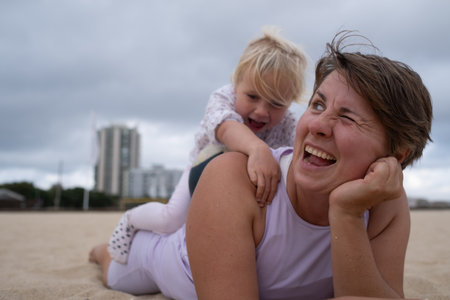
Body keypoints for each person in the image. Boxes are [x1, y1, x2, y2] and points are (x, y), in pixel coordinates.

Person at [89, 30, 433, 299]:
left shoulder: (384, 203)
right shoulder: (231, 178)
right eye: (317, 105)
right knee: (117, 272)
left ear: (397, 154)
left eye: (347, 117)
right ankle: (101, 251)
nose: (317, 125)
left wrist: (346, 213)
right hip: (170, 262)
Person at [107, 26, 307, 264]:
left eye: (276, 104)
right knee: (171, 220)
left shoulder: (288, 123)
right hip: (201, 168)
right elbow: (225, 126)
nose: (262, 111)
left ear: (289, 103)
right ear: (236, 85)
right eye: (252, 97)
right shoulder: (223, 98)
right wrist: (257, 148)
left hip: (244, 182)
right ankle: (131, 219)